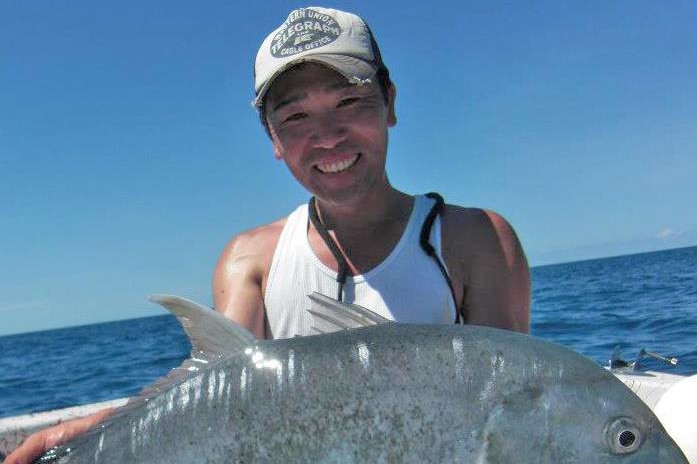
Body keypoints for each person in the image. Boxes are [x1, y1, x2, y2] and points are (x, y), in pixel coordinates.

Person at [6, 7, 529, 463]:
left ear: (390, 102)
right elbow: (218, 396)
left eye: (349, 102)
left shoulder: (475, 241)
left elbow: (506, 406)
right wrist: (94, 437)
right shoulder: (250, 261)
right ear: (273, 139)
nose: (327, 136)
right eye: (296, 116)